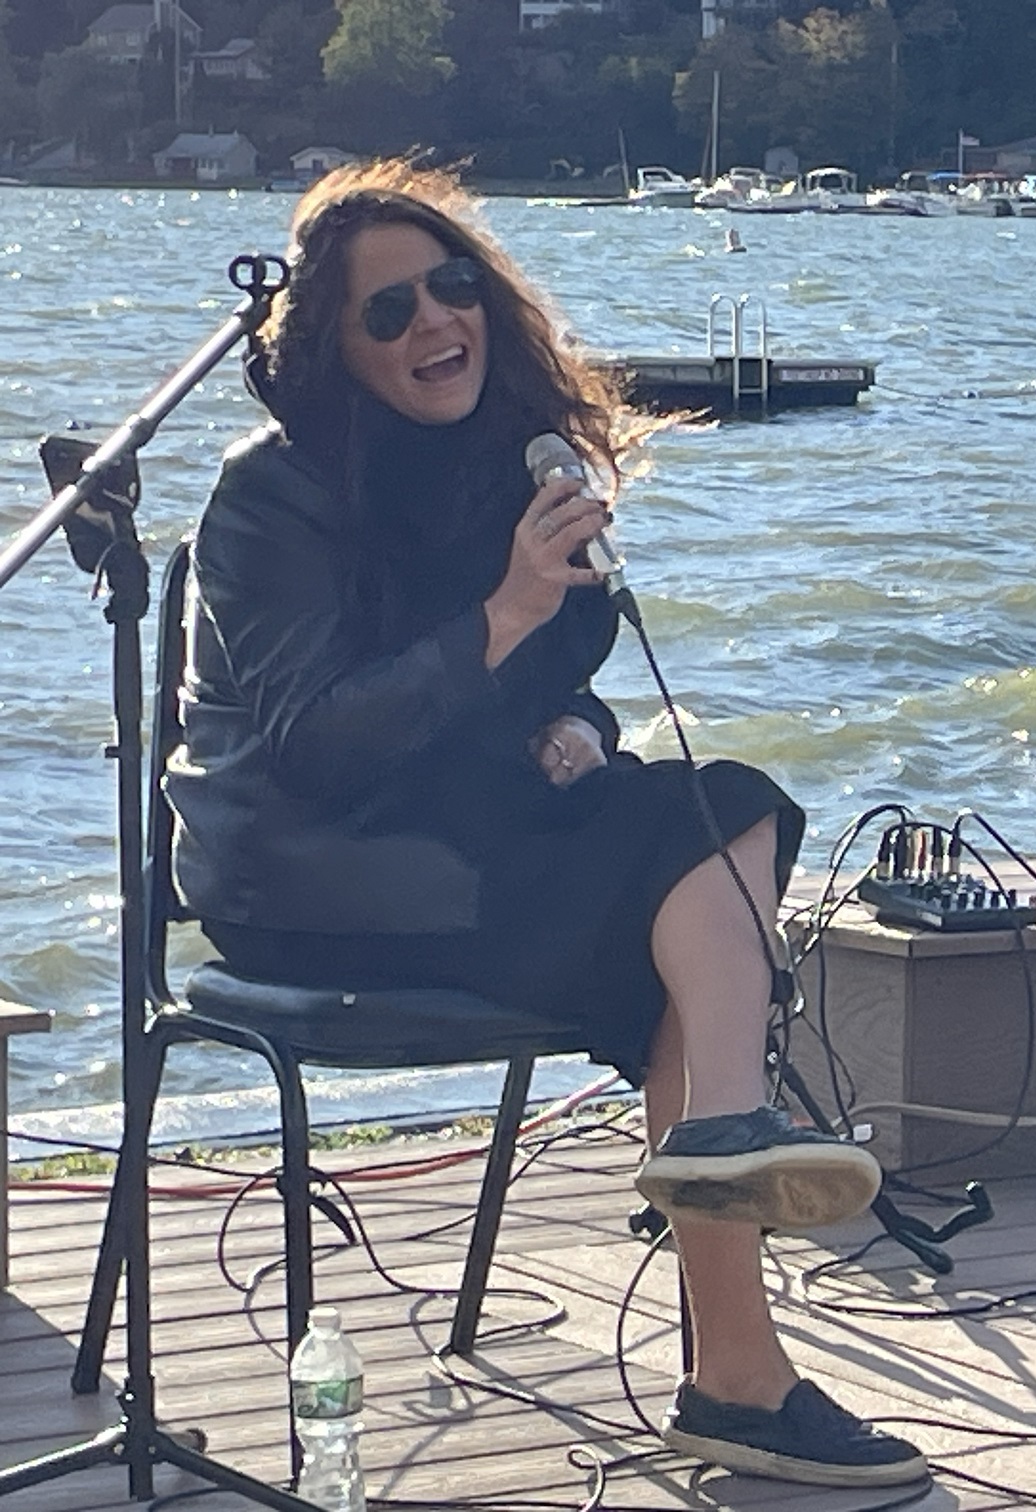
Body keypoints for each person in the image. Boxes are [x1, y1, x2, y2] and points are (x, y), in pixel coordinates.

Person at [166, 159, 926, 1486]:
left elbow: (556, 673)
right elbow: (312, 749)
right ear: (338, 352)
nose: (434, 321)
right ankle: (737, 1353)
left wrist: (579, 724)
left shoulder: (505, 467)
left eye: (451, 286)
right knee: (680, 892)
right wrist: (511, 607)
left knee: (726, 809)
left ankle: (722, 1185)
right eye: (390, 310)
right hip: (304, 876)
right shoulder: (272, 492)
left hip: (467, 833)